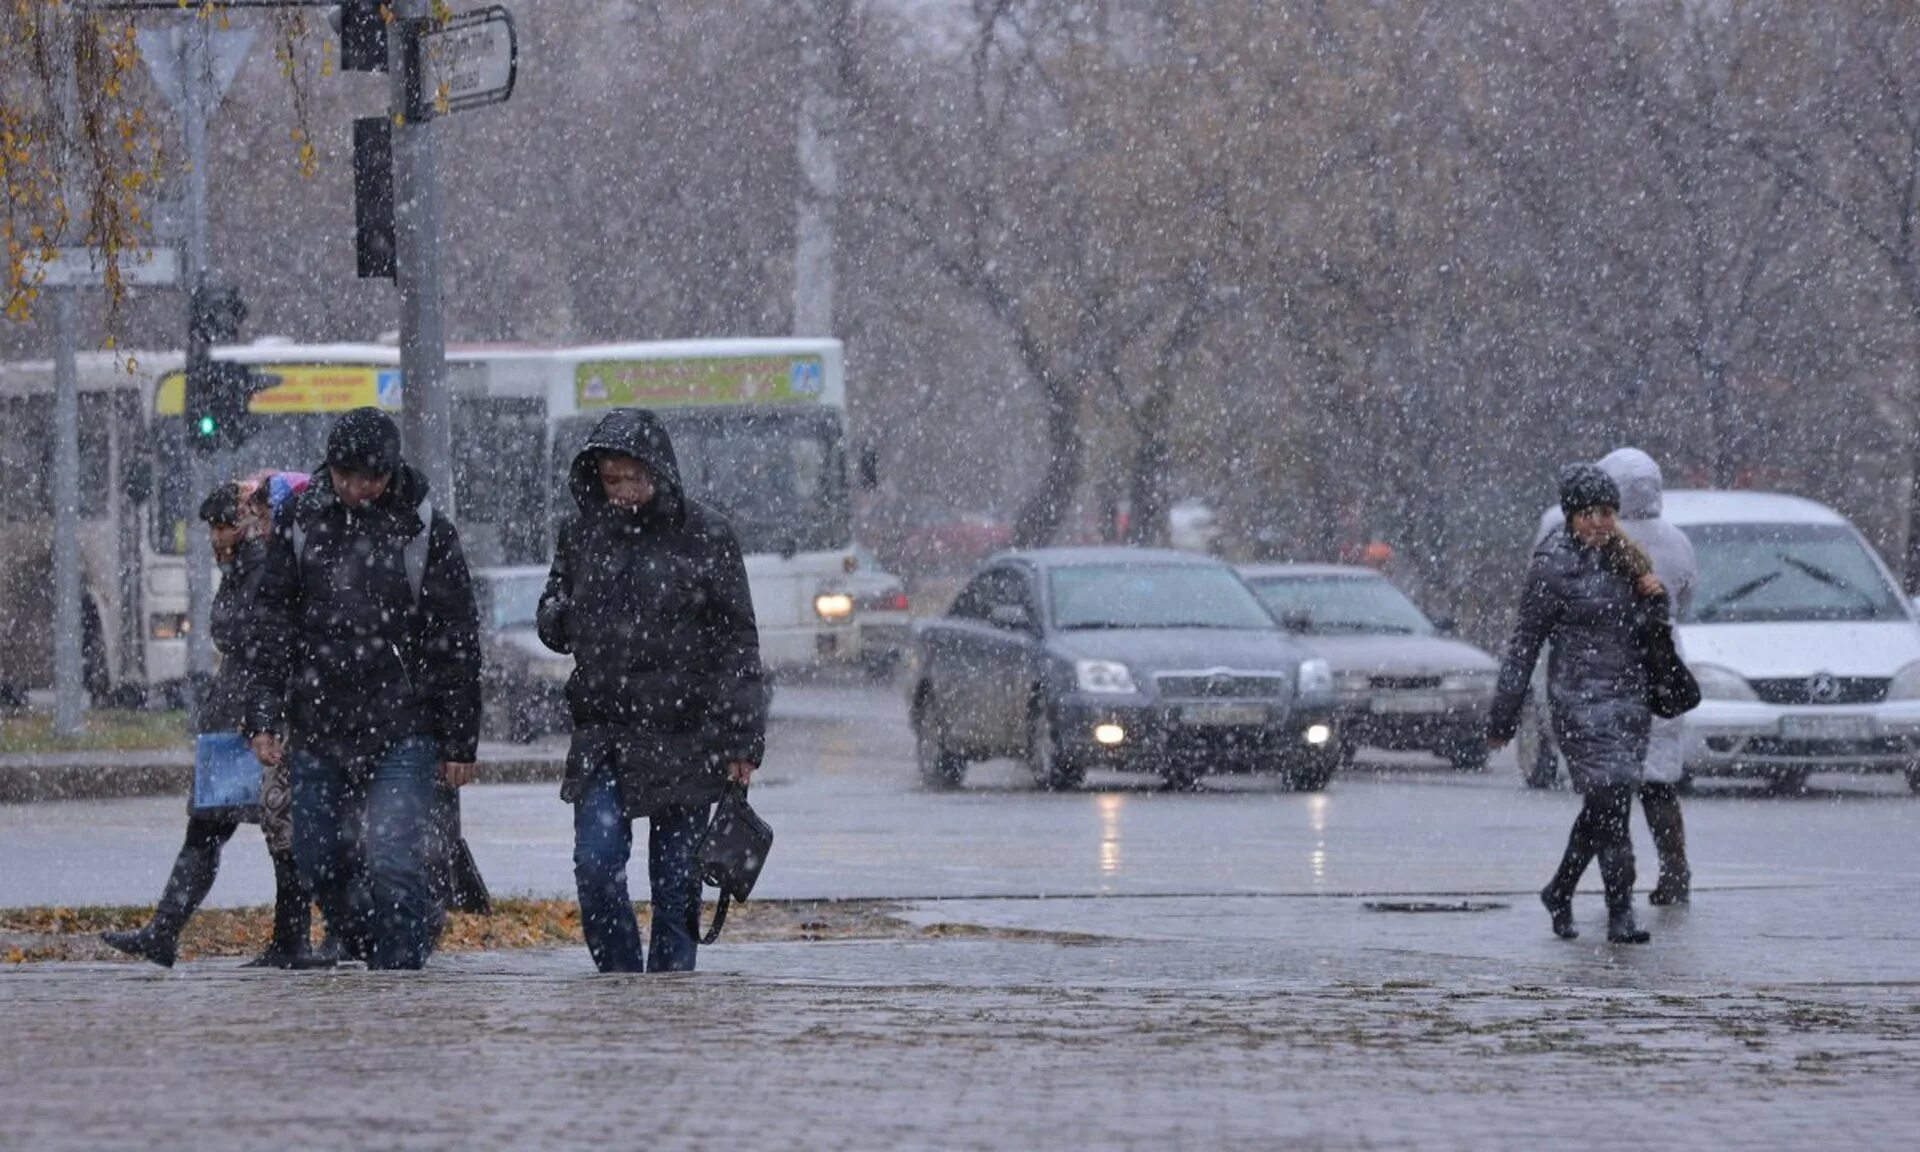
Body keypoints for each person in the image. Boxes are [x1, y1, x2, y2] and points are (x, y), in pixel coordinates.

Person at [242, 408, 482, 971]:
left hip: (405, 723)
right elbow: (273, 621)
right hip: (320, 719)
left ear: (391, 471)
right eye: (345, 477)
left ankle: (398, 976)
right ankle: (381, 939)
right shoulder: (303, 521)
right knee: (317, 856)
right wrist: (263, 715)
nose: (356, 490)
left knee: (394, 858)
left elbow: (456, 638)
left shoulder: (424, 528)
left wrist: (458, 742)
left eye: (369, 479)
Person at [537, 408, 767, 974]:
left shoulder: (705, 534)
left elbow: (737, 642)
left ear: (659, 471)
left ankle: (668, 998)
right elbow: (551, 614)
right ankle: (618, 981)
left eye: (633, 478)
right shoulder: (583, 531)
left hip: (685, 735)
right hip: (605, 733)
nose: (623, 493)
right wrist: (563, 617)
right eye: (612, 480)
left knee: (674, 884)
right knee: (596, 862)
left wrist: (742, 741)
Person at [103, 479, 315, 968]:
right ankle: (166, 929)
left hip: (254, 719)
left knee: (275, 830)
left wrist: (260, 712)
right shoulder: (245, 565)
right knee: (212, 827)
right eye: (214, 529)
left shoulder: (260, 564)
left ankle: (294, 938)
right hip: (237, 715)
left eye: (225, 525)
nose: (218, 537)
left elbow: (243, 632)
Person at [1489, 465, 1667, 944]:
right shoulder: (1551, 565)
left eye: (1607, 513)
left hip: (1628, 701)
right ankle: (1620, 912)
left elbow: (1652, 632)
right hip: (1578, 701)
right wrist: (1503, 713)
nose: (1598, 522)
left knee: (1605, 805)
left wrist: (1654, 599)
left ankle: (1560, 889)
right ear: (1570, 516)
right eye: (1588, 513)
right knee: (1610, 804)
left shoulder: (1629, 560)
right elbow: (1525, 643)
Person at [1533, 449, 1698, 903]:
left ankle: (1591, 886)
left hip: (1600, 672)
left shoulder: (1577, 532)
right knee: (1659, 780)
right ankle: (1673, 870)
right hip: (1661, 666)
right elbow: (1683, 598)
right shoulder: (1676, 541)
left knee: (1608, 789)